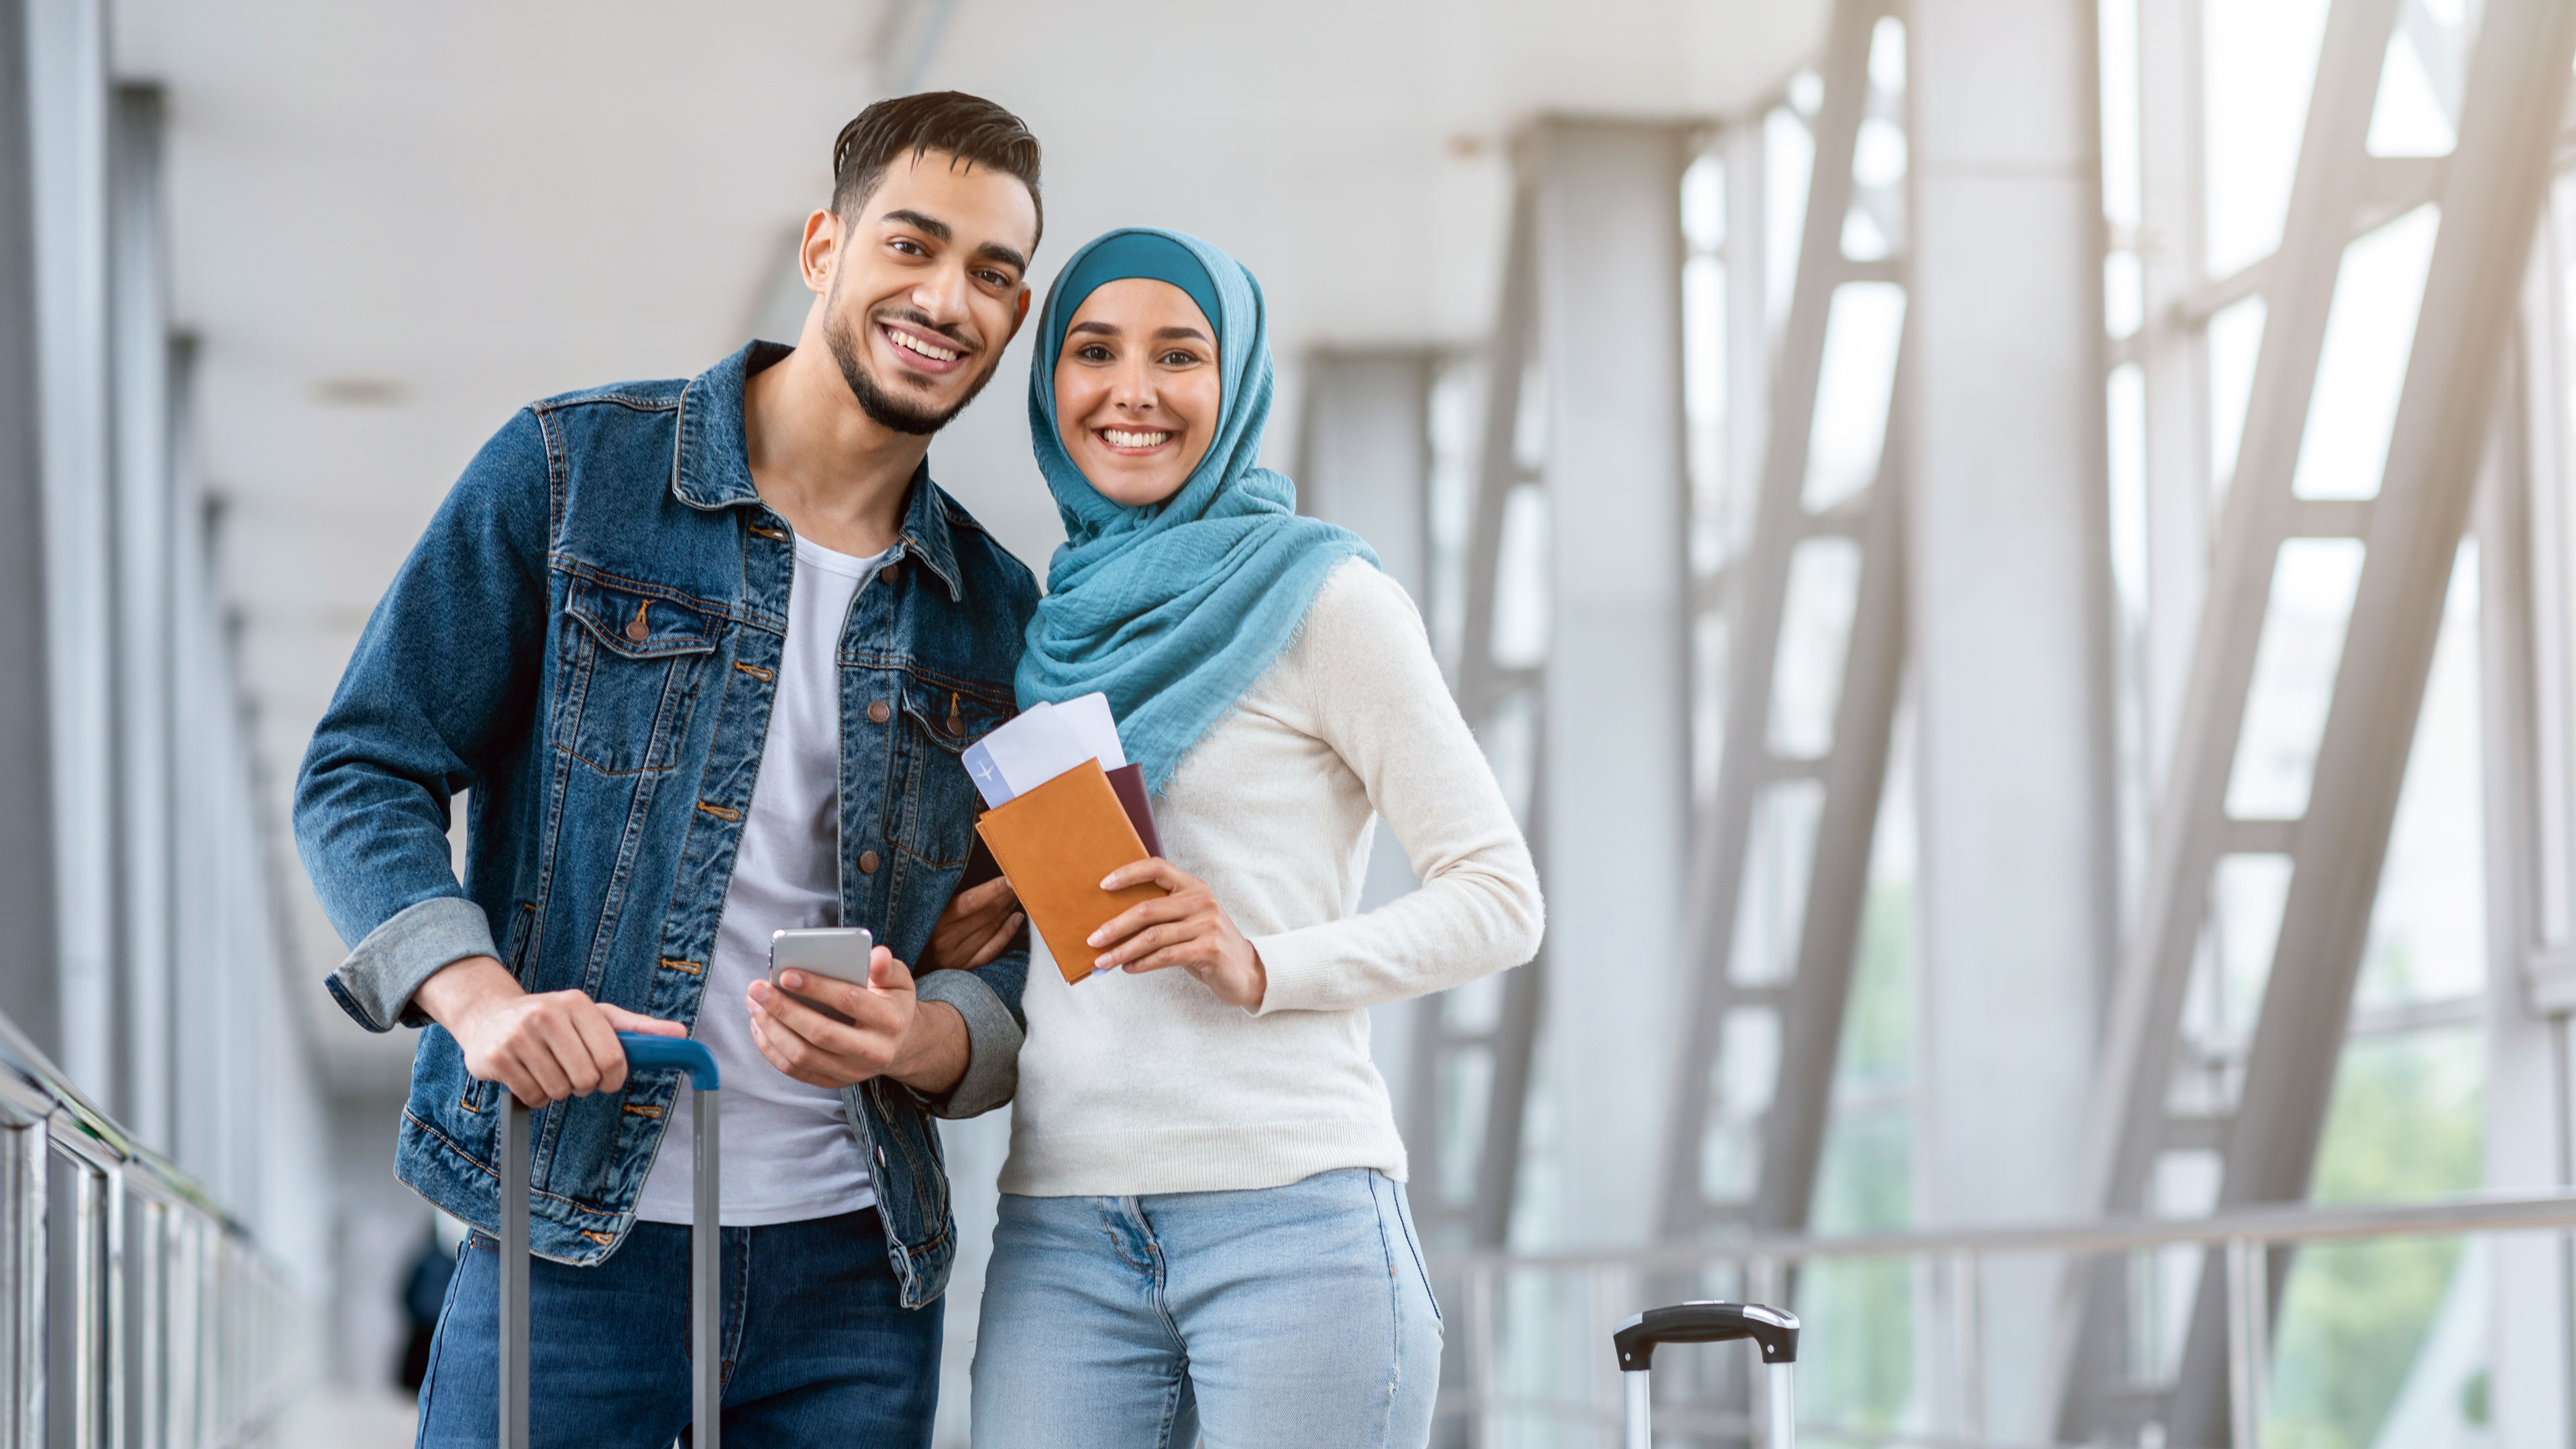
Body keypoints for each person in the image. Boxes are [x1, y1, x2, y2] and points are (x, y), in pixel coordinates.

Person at [293, 92, 1040, 1449]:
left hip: (856, 1278)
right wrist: (477, 1003)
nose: (949, 298)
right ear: (825, 248)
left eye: (994, 274)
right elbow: (364, 766)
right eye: (913, 246)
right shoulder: (575, 477)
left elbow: (989, 971)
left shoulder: (997, 612)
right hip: (572, 1241)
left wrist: (921, 1036)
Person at [967, 227, 1546, 1449]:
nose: (1132, 390)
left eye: (1179, 354)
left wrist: (1263, 961)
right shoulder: (1046, 629)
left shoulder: (1325, 600)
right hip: (1063, 1228)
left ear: (1235, 387)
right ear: (1047, 385)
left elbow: (1500, 896)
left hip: (1294, 1221)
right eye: (1093, 352)